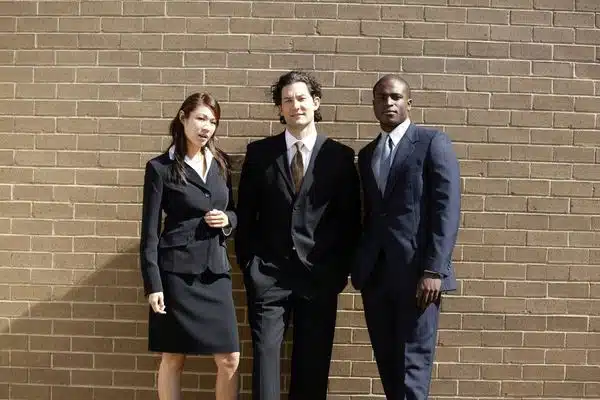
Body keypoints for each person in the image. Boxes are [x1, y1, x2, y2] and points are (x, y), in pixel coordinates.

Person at [235, 70, 361, 400]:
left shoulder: (340, 157)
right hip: (268, 277)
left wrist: (337, 273)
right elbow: (246, 216)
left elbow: (349, 223)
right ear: (280, 108)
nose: (295, 106)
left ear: (315, 102)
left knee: (312, 368)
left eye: (301, 98)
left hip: (319, 280)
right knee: (265, 363)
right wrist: (251, 267)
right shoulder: (261, 153)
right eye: (287, 100)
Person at [351, 75, 461, 400]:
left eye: (396, 97)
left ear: (408, 103)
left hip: (418, 277)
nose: (389, 103)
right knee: (388, 366)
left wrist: (434, 270)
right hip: (376, 277)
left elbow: (447, 208)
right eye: (382, 98)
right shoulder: (367, 153)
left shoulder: (431, 143)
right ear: (373, 104)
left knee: (413, 367)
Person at [139, 92, 240, 400]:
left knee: (229, 359)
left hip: (215, 272)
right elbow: (149, 233)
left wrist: (227, 220)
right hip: (176, 275)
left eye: (212, 121)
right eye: (200, 118)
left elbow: (234, 211)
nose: (206, 127)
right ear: (183, 118)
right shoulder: (160, 168)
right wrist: (153, 284)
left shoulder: (221, 163)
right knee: (173, 357)